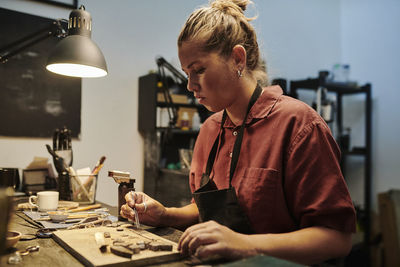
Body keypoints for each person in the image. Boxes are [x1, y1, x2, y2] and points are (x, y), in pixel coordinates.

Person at [121, 0, 356, 265]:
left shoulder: (299, 125)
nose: (190, 85)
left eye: (199, 70)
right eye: (187, 73)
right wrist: (165, 215)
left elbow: (337, 238)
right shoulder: (210, 130)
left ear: (237, 58)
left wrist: (245, 244)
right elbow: (206, 209)